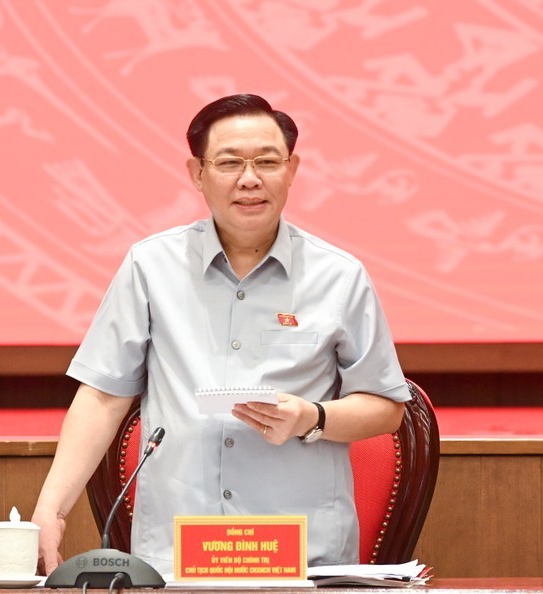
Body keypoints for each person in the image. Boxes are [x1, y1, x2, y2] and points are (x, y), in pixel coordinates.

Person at [31, 94, 411, 576]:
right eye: (230, 162)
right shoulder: (151, 267)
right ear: (197, 173)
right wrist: (52, 509)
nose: (250, 179)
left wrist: (311, 417)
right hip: (177, 556)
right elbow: (104, 396)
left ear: (292, 171)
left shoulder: (340, 276)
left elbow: (387, 406)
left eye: (268, 162)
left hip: (303, 558)